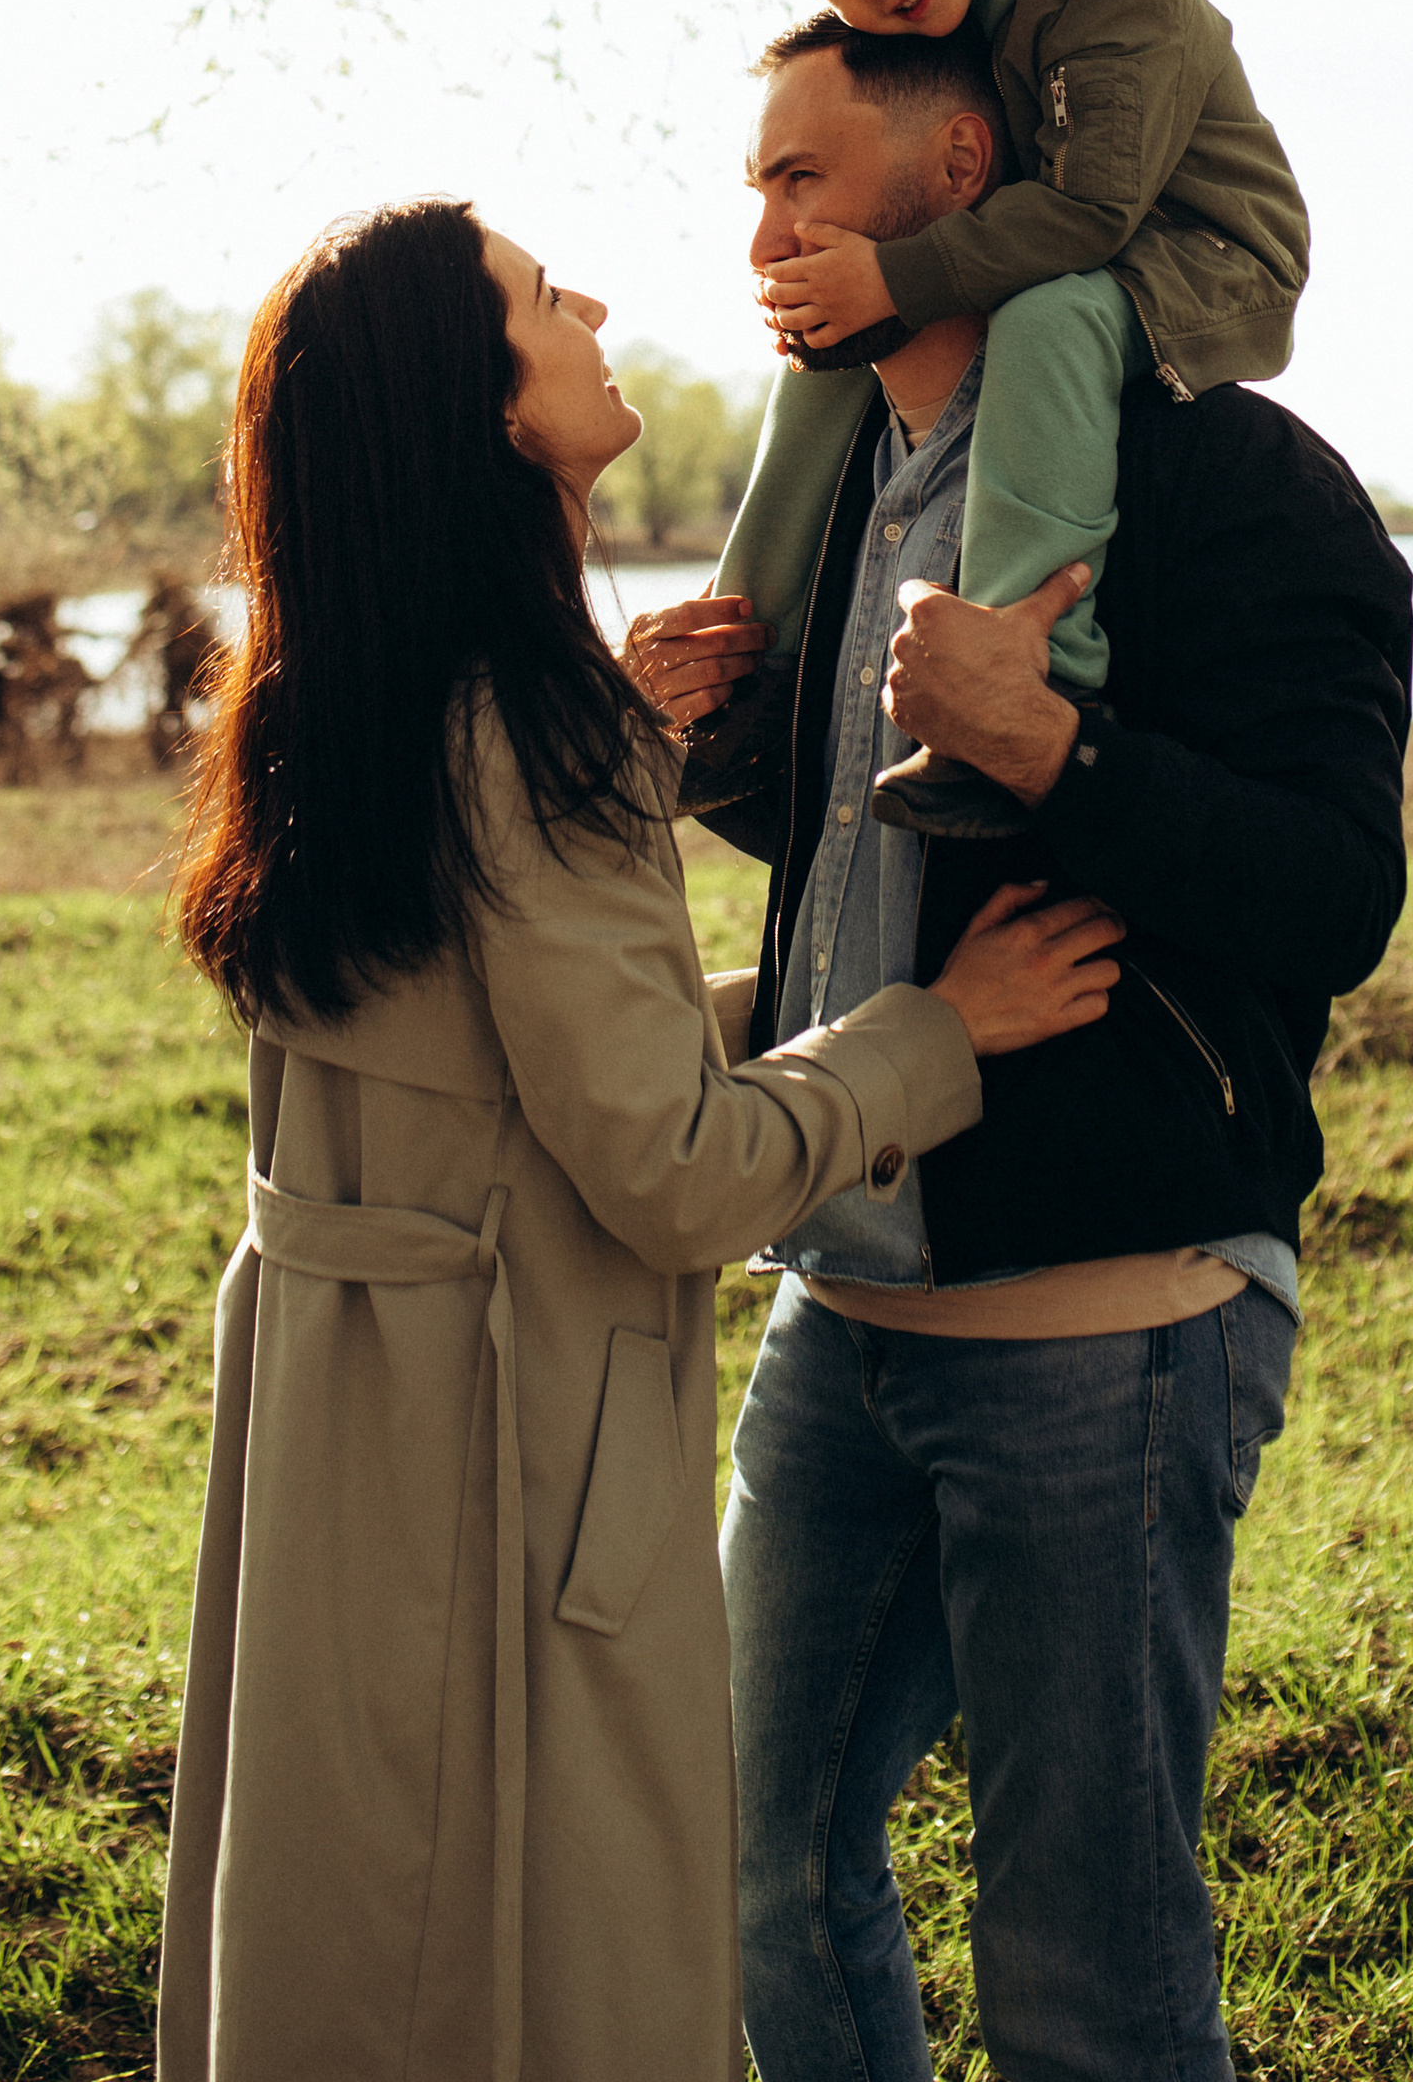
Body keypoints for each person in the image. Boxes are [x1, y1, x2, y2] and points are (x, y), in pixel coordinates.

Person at [154, 198, 1125, 2082]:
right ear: (486, 411)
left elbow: (504, 1077)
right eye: (536, 297)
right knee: (532, 1957)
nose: (588, 301)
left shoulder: (341, 698)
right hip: (497, 1467)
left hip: (339, 1441)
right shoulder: (527, 734)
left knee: (354, 1930)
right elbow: (674, 1177)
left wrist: (795, 984)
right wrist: (938, 1034)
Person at [627, 18, 1411, 2082]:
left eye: (801, 178)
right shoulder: (828, 497)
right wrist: (711, 743)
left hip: (1107, 1324)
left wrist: (1047, 746)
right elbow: (852, 871)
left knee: (1088, 1973)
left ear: (960, 166)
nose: (758, 226)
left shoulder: (1228, 479)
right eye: (751, 187)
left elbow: (1331, 897)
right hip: (841, 1309)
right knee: (746, 1866)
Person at [704, 0, 1310, 826]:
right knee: (831, 336)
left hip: (1208, 257)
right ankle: (747, 663)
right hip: (1075, 241)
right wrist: (863, 289)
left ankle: (1029, 664)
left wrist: (894, 270)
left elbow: (1088, 213)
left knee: (1048, 312)